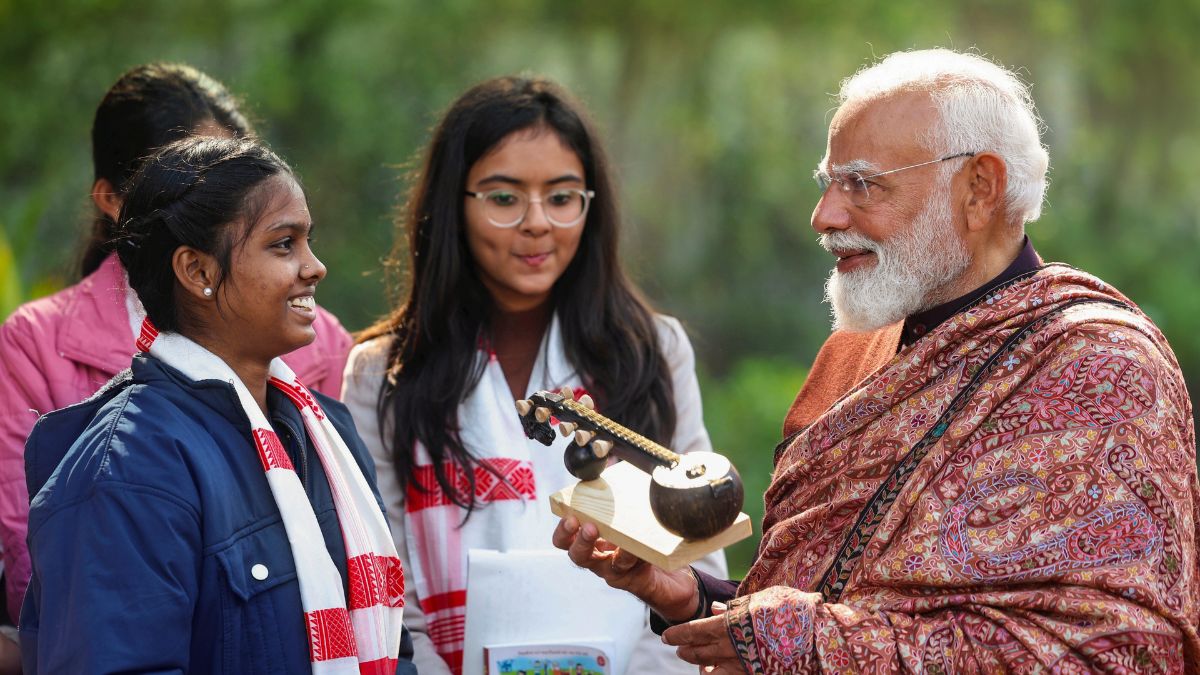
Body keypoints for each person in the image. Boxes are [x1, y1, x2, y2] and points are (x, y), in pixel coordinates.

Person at [555, 48, 1200, 673]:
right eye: (829, 185)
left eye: (862, 184)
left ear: (980, 188)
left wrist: (805, 643)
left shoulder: (1100, 364)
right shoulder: (854, 350)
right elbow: (821, 607)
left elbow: (1119, 652)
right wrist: (692, 597)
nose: (824, 216)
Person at [341, 75, 727, 674]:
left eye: (563, 196)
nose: (537, 223)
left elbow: (698, 557)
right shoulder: (385, 373)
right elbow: (389, 589)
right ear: (454, 203)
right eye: (503, 198)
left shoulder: (651, 352)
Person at [18, 137, 414, 673]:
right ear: (198, 272)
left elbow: (393, 647)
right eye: (283, 245)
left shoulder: (328, 433)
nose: (315, 267)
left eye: (308, 241)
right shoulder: (128, 464)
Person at [0, 63, 353, 635]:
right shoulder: (42, 350)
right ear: (114, 201)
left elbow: (359, 559)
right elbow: (39, 567)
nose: (314, 268)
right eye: (192, 179)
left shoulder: (323, 349)